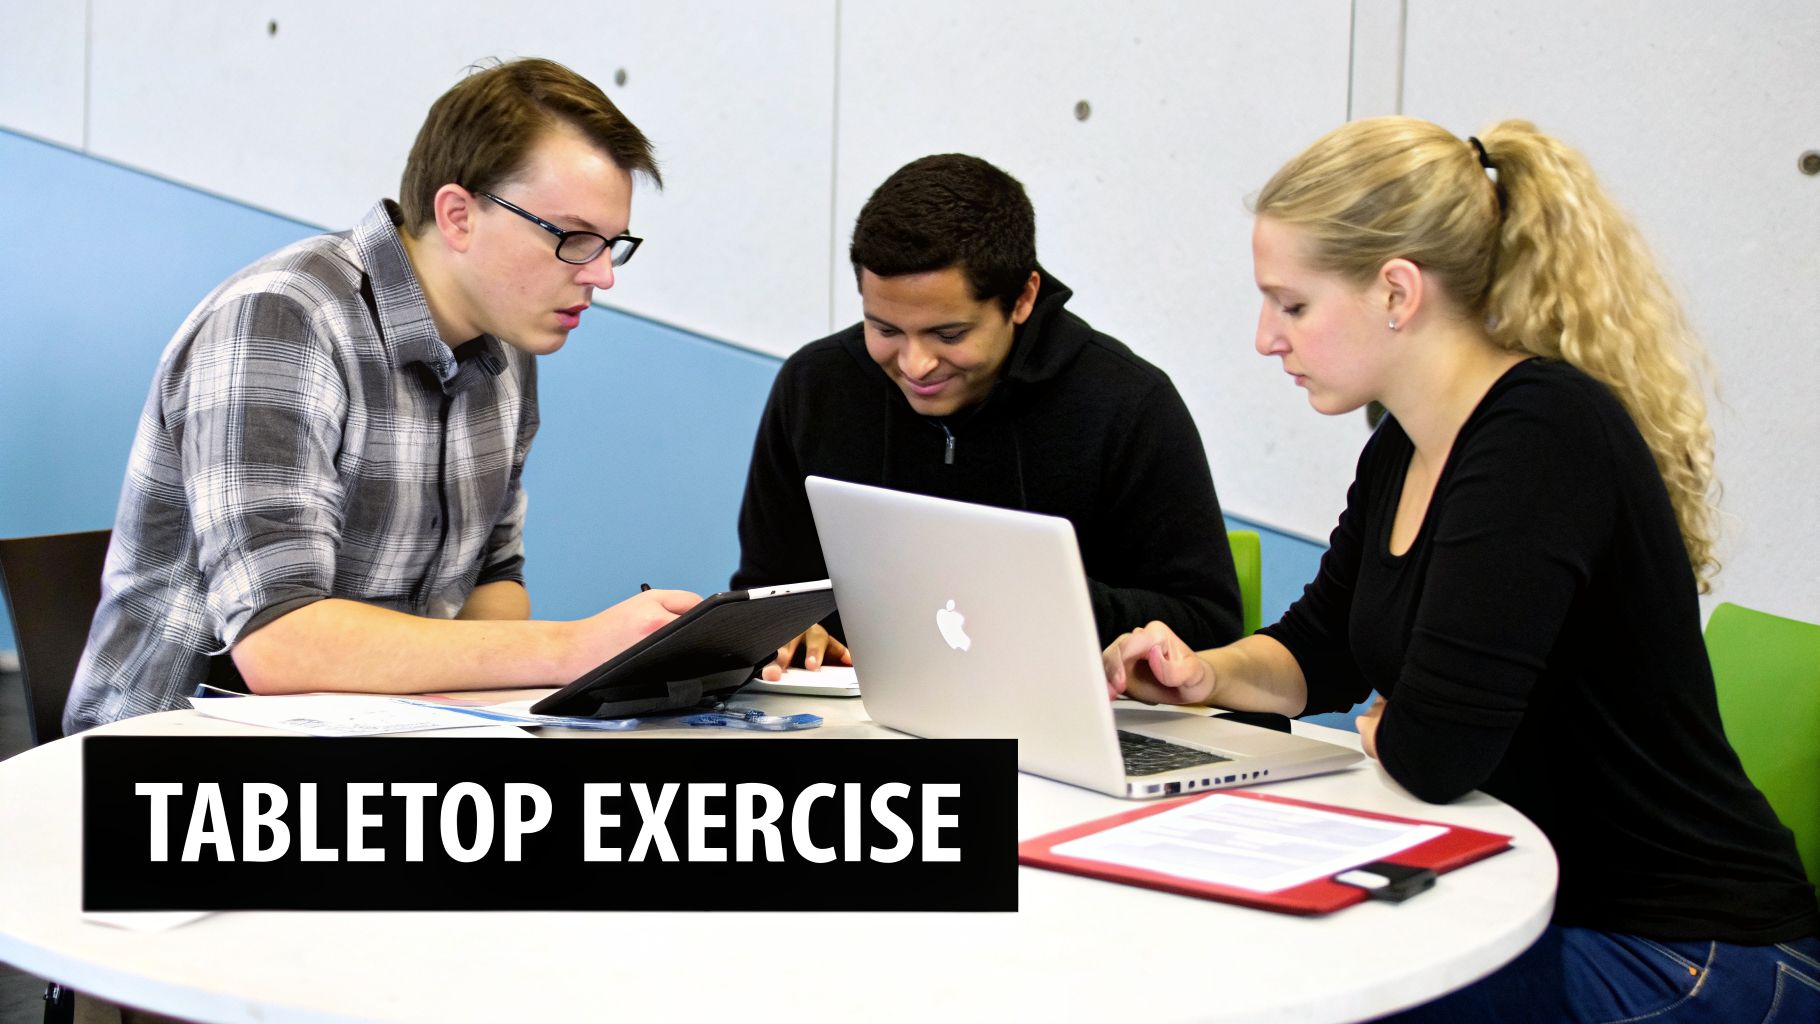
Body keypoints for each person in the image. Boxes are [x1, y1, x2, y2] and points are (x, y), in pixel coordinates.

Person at [1103, 118, 1820, 1020]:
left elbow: (1437, 753)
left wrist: (1400, 727)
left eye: (1291, 306)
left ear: (1397, 292)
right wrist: (1211, 675)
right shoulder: (1404, 442)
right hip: (1551, 909)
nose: (1264, 339)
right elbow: (1325, 651)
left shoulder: (1541, 435)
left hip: (1685, 950)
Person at [65, 59, 698, 733]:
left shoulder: (508, 343)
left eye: (612, 245)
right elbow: (281, 643)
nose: (601, 275)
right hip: (172, 773)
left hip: (377, 745)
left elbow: (492, 581)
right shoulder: (283, 319)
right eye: (574, 239)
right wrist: (575, 649)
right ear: (458, 215)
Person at [732, 153, 1243, 679]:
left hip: (1068, 723)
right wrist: (782, 630)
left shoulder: (1129, 404)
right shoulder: (816, 386)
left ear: (1023, 297)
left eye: (949, 335)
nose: (915, 364)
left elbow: (1210, 627)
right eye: (885, 330)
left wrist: (1041, 598)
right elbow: (763, 590)